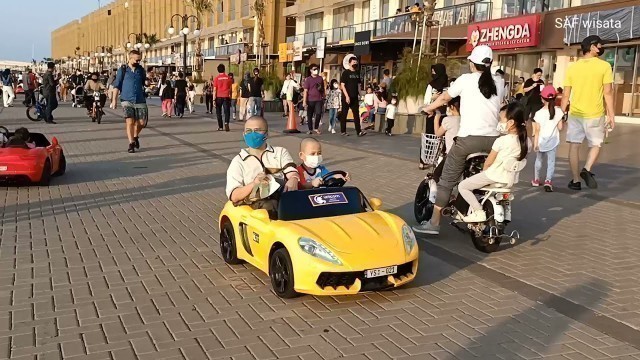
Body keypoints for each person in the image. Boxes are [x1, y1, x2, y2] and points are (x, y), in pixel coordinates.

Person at [414, 45, 504, 235]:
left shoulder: (465, 80)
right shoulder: (499, 82)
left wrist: (429, 108)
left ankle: (434, 223)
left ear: (472, 64)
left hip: (468, 140)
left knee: (446, 181)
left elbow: (445, 98)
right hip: (494, 142)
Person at [457, 102, 528, 222]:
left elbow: (488, 162)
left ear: (510, 123)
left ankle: (478, 212)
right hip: (509, 179)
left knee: (463, 186)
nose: (500, 123)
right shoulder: (525, 142)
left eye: (501, 119)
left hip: (494, 176)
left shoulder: (502, 141)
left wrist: (483, 172)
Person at [561, 34, 615, 191]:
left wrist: (560, 114)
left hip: (576, 114)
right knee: (596, 144)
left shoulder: (573, 68)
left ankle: (576, 180)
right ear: (592, 47)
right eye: (599, 45)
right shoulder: (604, 66)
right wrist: (611, 115)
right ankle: (587, 169)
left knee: (574, 146)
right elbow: (608, 93)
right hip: (595, 114)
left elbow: (566, 95)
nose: (601, 48)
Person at [225, 116, 300, 219]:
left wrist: (293, 179)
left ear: (266, 134)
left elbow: (291, 170)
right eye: (248, 131)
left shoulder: (280, 152)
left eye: (257, 130)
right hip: (256, 206)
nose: (252, 134)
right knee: (271, 205)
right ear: (243, 134)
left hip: (282, 197)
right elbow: (234, 196)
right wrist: (254, 184)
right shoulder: (238, 161)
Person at [111, 50, 148, 153]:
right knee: (130, 122)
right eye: (136, 60)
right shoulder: (123, 70)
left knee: (141, 123)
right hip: (126, 99)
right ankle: (131, 143)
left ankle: (135, 136)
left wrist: (148, 83)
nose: (138, 62)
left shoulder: (140, 70)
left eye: (139, 60)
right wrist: (114, 100)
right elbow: (116, 85)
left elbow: (144, 82)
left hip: (140, 99)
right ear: (130, 58)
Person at [532, 86, 564, 192]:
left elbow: (537, 130)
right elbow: (560, 127)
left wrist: (535, 143)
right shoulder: (558, 111)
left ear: (542, 98)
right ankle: (548, 181)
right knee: (551, 161)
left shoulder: (538, 113)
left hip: (541, 141)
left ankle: (536, 180)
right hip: (553, 141)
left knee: (539, 160)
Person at [339, 55, 365, 137]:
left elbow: (358, 85)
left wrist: (360, 94)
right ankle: (343, 131)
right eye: (353, 62)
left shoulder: (357, 73)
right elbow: (342, 85)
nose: (355, 64)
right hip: (347, 97)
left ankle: (359, 131)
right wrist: (346, 96)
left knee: (356, 114)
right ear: (349, 63)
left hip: (355, 97)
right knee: (344, 114)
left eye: (356, 62)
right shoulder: (346, 73)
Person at [302, 64, 325, 135]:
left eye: (317, 69)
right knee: (310, 115)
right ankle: (310, 129)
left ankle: (316, 127)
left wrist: (323, 97)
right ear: (311, 70)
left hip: (319, 99)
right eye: (314, 69)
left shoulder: (320, 78)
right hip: (310, 99)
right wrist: (304, 101)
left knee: (318, 113)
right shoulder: (308, 79)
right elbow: (305, 91)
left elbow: (323, 89)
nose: (316, 70)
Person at [213, 64, 232, 131]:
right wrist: (230, 96)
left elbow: (215, 89)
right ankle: (226, 122)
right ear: (224, 69)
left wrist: (213, 99)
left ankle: (220, 126)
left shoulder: (216, 78)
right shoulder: (228, 78)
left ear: (218, 70)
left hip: (218, 97)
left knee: (218, 112)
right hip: (226, 96)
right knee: (227, 111)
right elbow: (230, 88)